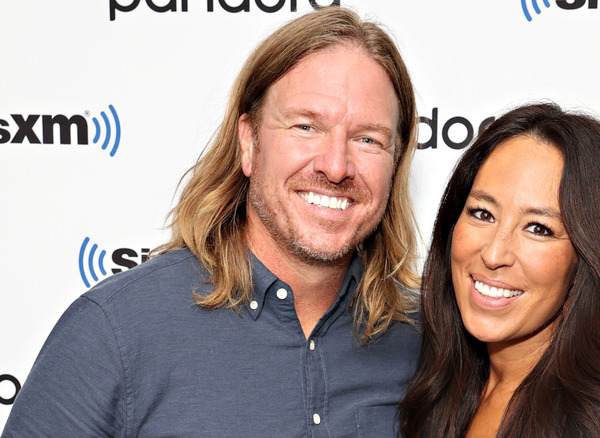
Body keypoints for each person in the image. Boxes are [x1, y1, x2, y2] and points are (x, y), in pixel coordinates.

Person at [3, 7, 421, 437]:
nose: (336, 166)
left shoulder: (429, 342)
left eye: (368, 139)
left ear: (395, 161)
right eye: (305, 126)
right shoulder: (114, 331)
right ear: (249, 141)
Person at [399, 102, 600, 437]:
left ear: (586, 262)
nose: (495, 253)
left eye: (538, 228)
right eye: (483, 213)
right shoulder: (424, 390)